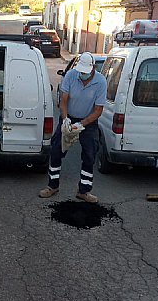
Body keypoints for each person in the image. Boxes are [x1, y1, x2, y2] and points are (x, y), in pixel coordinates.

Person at [39, 52, 107, 203]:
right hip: (69, 117)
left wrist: (81, 124)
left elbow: (98, 110)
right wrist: (65, 119)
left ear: (92, 68)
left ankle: (84, 190)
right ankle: (52, 186)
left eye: (85, 72)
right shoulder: (70, 75)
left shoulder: (101, 82)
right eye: (81, 71)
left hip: (88, 122)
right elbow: (63, 101)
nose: (82, 74)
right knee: (56, 149)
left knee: (90, 154)